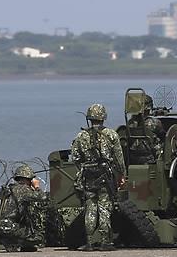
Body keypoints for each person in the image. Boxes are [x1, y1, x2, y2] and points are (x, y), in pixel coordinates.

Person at [71, 103, 126, 251]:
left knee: (90, 207)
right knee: (104, 208)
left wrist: (83, 167)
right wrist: (122, 175)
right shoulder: (112, 135)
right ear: (103, 118)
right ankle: (105, 242)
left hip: (88, 176)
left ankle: (89, 242)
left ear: (89, 118)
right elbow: (119, 158)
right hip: (105, 176)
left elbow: (75, 157)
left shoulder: (81, 136)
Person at [0, 164, 46, 252]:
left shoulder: (8, 189)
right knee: (39, 237)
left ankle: (6, 241)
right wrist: (36, 186)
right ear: (28, 179)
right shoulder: (23, 189)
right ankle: (13, 242)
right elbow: (43, 197)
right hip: (10, 227)